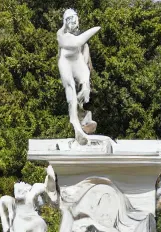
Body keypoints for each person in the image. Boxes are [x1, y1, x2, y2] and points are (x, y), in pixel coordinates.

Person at [57, 8, 100, 145]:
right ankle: (76, 125)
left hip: (76, 63)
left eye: (75, 20)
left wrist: (86, 79)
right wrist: (93, 30)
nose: (73, 23)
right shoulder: (61, 35)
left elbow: (85, 63)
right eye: (70, 21)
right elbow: (76, 42)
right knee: (71, 96)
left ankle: (84, 117)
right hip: (65, 64)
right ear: (66, 22)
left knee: (85, 88)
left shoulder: (84, 45)